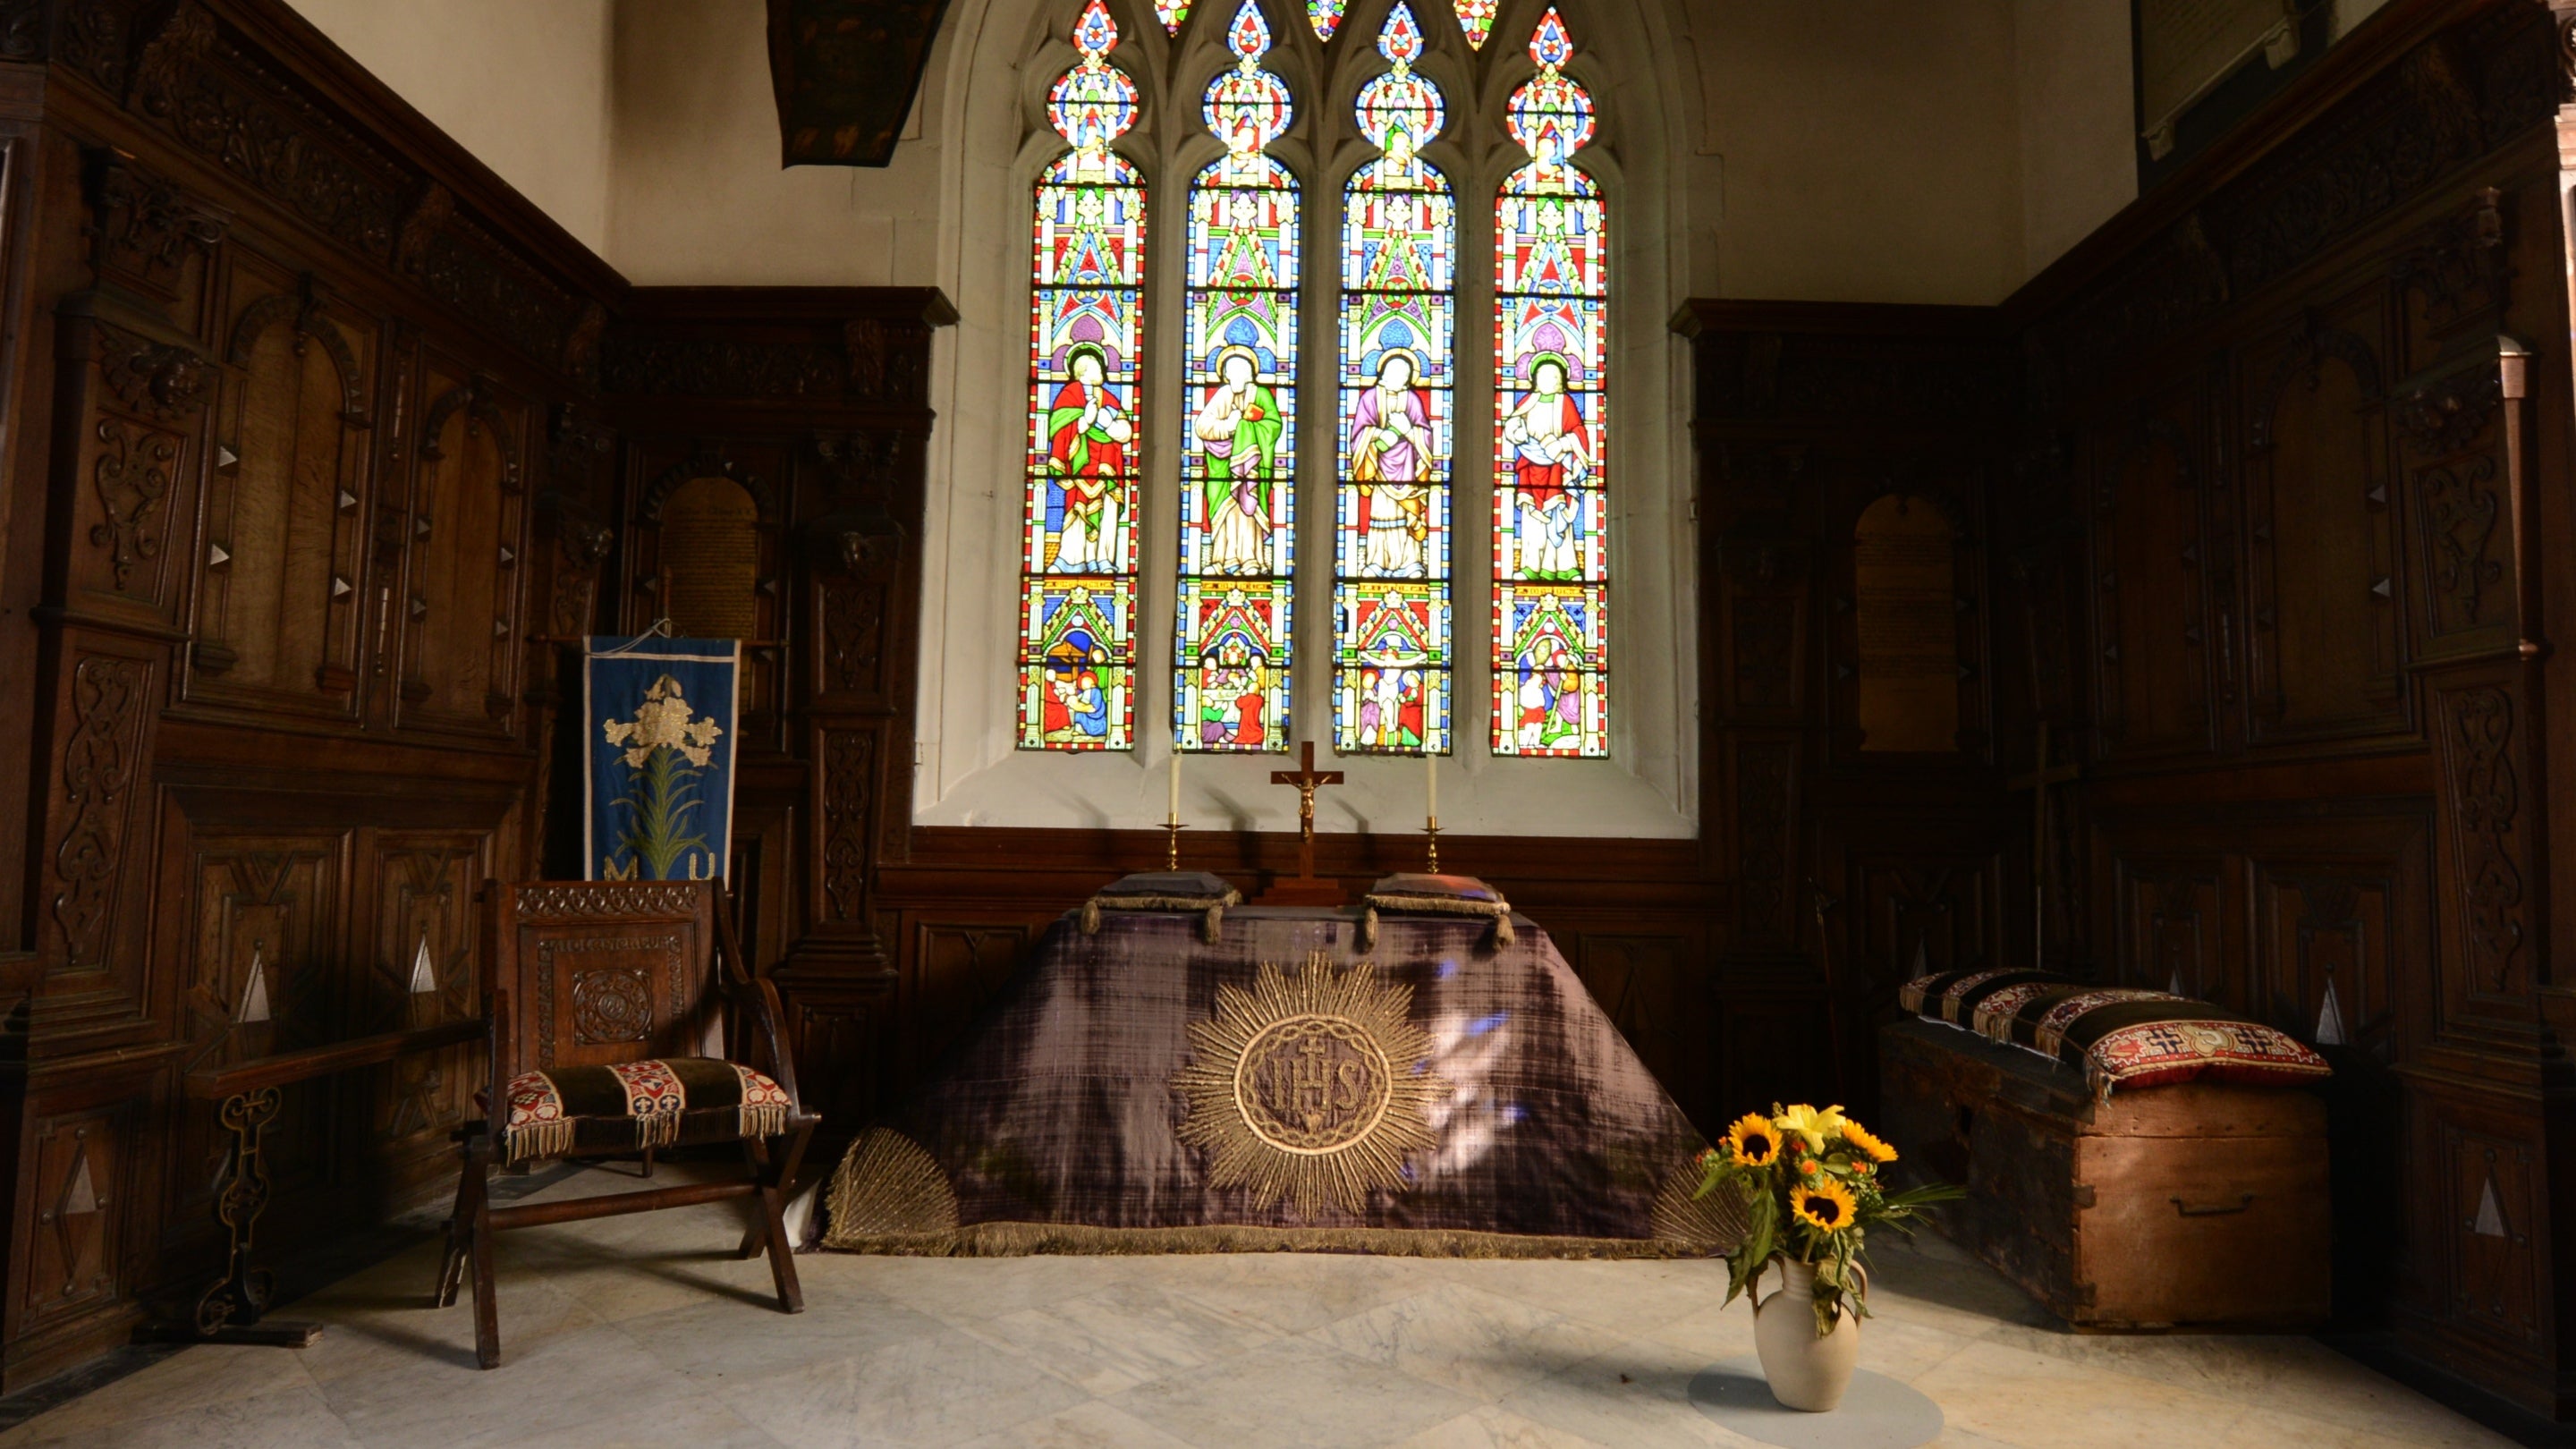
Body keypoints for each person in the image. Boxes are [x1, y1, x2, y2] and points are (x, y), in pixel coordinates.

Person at [1192, 345, 1281, 574]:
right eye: (1231, 372)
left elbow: (1274, 425)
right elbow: (1202, 426)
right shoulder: (1223, 395)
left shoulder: (1261, 395)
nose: (1235, 376)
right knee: (1226, 510)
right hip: (1222, 466)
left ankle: (1251, 560)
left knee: (1247, 508)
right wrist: (1227, 427)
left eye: (1241, 371)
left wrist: (1243, 428)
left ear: (1250, 374)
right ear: (1226, 375)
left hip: (1252, 467)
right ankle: (1222, 560)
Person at [1502, 355, 1589, 580]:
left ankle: (1565, 568)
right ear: (1535, 379)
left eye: (1554, 376)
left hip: (1558, 469)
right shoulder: (1528, 401)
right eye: (1543, 375)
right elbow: (1512, 423)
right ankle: (1530, 566)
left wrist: (1563, 444)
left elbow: (1579, 432)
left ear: (1561, 381)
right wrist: (1516, 432)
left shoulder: (1565, 403)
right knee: (1532, 520)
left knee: (1558, 515)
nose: (1548, 379)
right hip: (1531, 466)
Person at [1045, 343, 1130, 572]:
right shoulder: (1069, 394)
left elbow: (1126, 431)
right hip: (1080, 464)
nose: (1102, 371)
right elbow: (1058, 426)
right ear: (1082, 372)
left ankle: (1103, 560)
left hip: (1108, 464)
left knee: (1108, 510)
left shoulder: (1107, 397)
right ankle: (1070, 560)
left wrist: (1110, 426)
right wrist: (1084, 421)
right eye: (1096, 368)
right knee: (1077, 509)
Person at [1349, 350, 1432, 578]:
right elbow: (1359, 432)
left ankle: (1411, 563)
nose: (1399, 376)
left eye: (1404, 373)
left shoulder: (1412, 400)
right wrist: (1377, 434)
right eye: (1394, 371)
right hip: (1379, 467)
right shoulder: (1370, 398)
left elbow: (1426, 435)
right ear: (1383, 373)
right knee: (1381, 512)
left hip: (1407, 467)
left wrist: (1409, 431)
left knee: (1407, 513)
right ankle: (1377, 562)